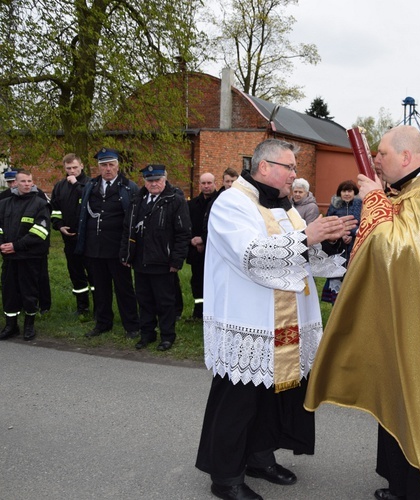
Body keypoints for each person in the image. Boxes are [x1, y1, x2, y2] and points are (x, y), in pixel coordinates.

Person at [305, 126, 420, 499]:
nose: (375, 161)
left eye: (382, 154)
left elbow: (399, 251)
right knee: (401, 397)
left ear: (406, 157)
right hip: (417, 317)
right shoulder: (419, 188)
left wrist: (373, 201)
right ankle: (401, 483)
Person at [195, 139, 356, 500]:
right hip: (248, 318)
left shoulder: (286, 207)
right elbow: (251, 255)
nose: (295, 175)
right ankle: (224, 477)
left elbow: (302, 258)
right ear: (265, 167)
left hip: (283, 318)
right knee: (238, 400)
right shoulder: (231, 203)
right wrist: (305, 238)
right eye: (290, 168)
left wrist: (326, 243)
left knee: (271, 395)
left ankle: (258, 456)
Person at [121, 165, 190, 351]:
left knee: (165, 302)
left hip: (163, 262)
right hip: (140, 261)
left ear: (165, 179)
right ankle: (147, 334)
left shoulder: (175, 200)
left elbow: (183, 233)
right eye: (150, 180)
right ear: (144, 181)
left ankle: (167, 336)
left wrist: (177, 260)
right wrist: (126, 254)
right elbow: (127, 229)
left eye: (157, 180)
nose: (154, 184)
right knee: (144, 300)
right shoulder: (137, 200)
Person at [76, 148, 140, 339]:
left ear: (118, 166)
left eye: (111, 164)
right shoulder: (91, 185)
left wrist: (129, 249)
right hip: (95, 247)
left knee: (124, 289)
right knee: (100, 289)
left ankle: (131, 325)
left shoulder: (129, 187)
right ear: (99, 167)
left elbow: (133, 219)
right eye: (104, 165)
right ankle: (103, 323)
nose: (108, 169)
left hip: (118, 247)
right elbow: (84, 215)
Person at [0, 170, 50, 341]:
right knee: (9, 293)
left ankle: (29, 325)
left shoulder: (40, 204)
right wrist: (2, 245)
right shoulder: (5, 203)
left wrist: (16, 246)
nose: (27, 184)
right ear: (16, 183)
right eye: (23, 181)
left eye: (29, 181)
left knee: (29, 292)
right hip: (9, 258)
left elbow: (40, 232)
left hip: (29, 258)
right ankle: (11, 325)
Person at [50, 153, 92, 316]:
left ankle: (100, 309)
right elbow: (55, 210)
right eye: (69, 168)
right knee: (76, 273)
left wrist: (76, 184)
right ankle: (82, 307)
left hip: (89, 238)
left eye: (75, 167)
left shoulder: (90, 184)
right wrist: (59, 226)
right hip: (69, 239)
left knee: (94, 275)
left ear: (81, 165)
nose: (72, 171)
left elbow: (91, 201)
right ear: (64, 168)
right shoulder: (59, 186)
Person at [321, 180, 362, 305]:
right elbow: (329, 223)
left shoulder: (360, 205)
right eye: (344, 191)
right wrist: (341, 235)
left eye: (349, 191)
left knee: (353, 280)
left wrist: (351, 234)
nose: (347, 194)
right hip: (337, 249)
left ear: (354, 192)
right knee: (337, 279)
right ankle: (336, 307)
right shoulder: (335, 206)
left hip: (355, 247)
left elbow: (363, 224)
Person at [186, 173, 215, 320]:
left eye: (209, 183)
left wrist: (204, 240)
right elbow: (187, 225)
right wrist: (193, 241)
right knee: (197, 282)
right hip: (196, 251)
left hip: (213, 251)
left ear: (214, 184)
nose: (206, 186)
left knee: (213, 283)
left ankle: (212, 313)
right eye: (203, 183)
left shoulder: (219, 202)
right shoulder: (192, 204)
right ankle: (198, 312)